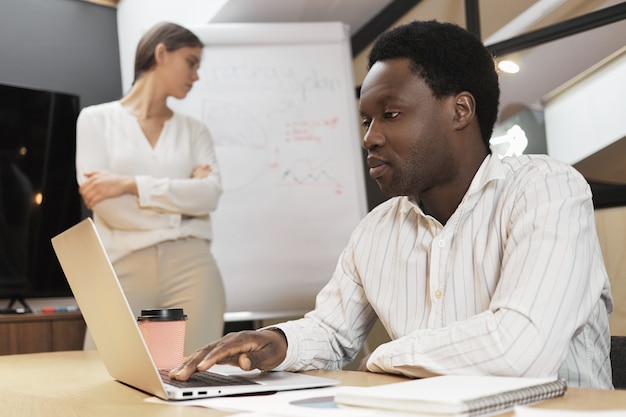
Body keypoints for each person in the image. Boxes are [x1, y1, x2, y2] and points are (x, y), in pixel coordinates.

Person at [170, 20, 614, 388]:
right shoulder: (376, 229)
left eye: (392, 114)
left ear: (460, 111)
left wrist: (388, 356)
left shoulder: (547, 190)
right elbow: (331, 330)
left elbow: (520, 349)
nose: (370, 137)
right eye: (366, 120)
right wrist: (277, 340)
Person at [75, 22, 225, 355]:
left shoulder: (194, 130)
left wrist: (128, 184)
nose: (196, 75)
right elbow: (105, 204)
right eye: (191, 62)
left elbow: (210, 194)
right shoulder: (95, 120)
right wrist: (183, 206)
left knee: (192, 376)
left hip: (193, 267)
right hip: (123, 265)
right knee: (102, 375)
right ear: (161, 53)